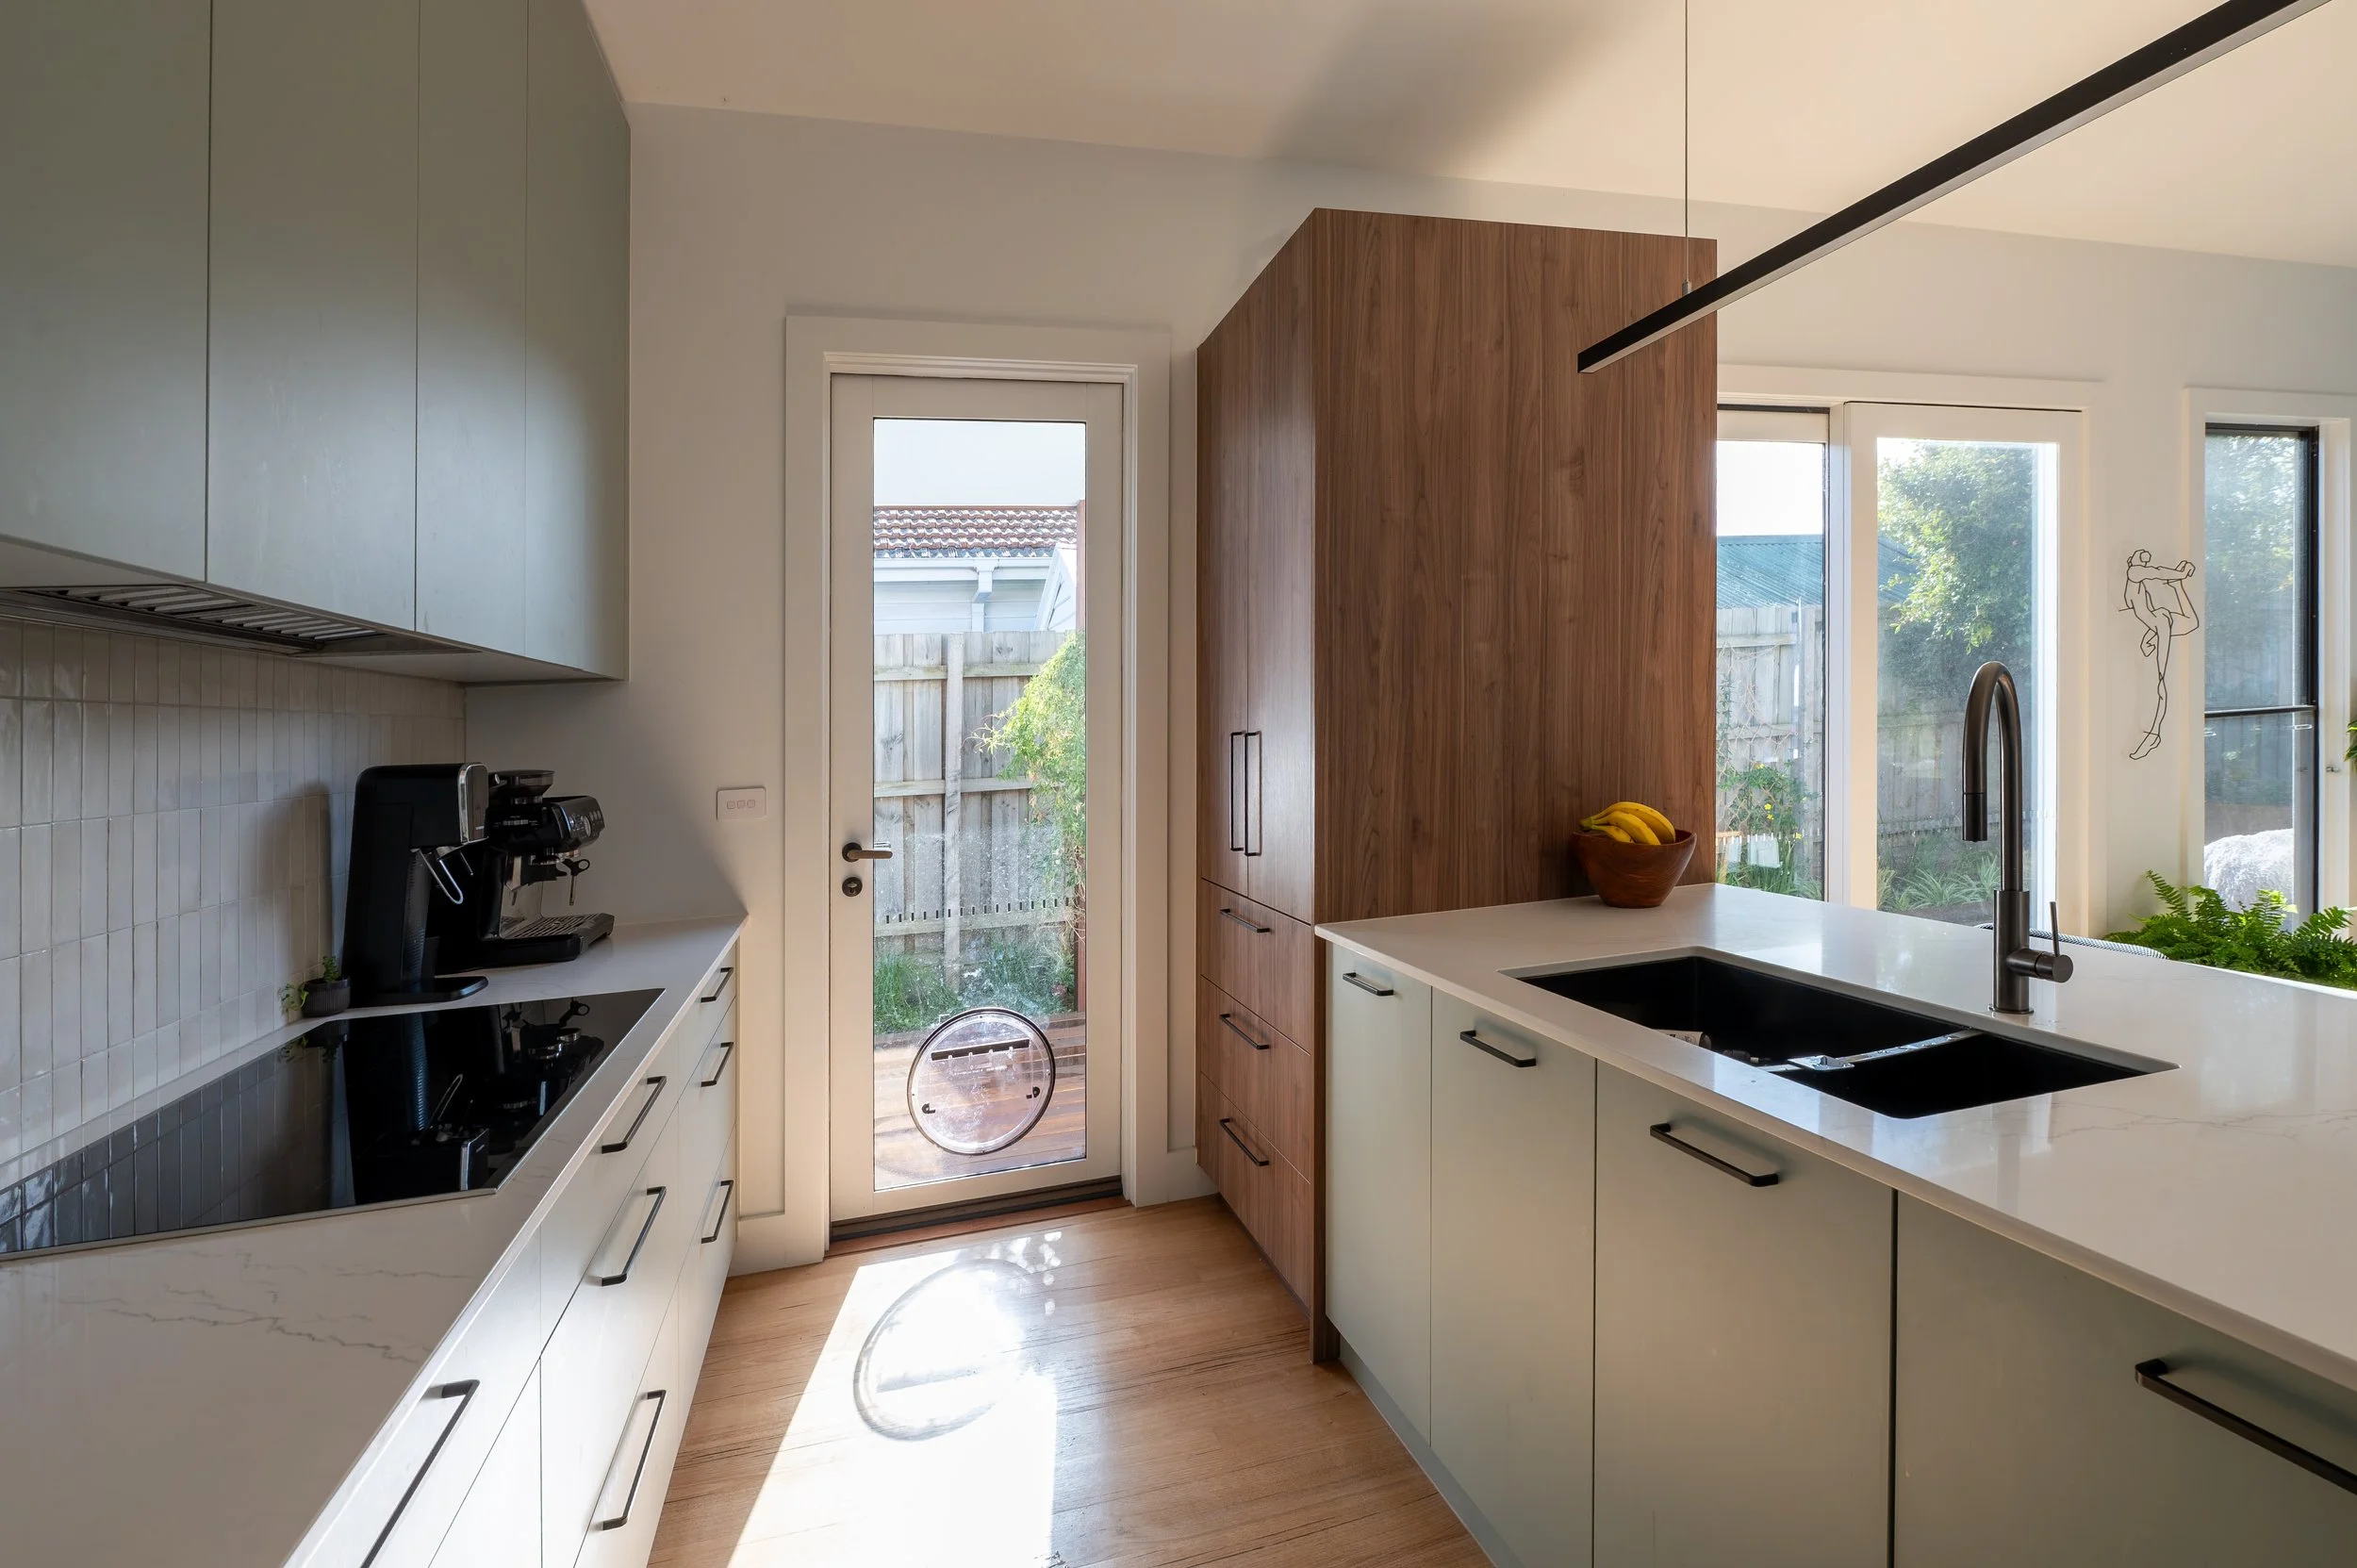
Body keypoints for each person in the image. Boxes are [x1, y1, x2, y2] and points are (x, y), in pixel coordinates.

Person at [2122, 549, 2198, 760]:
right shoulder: (2135, 573)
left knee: (2161, 680)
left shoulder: (2139, 576)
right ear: (2132, 560)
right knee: (2191, 622)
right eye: (2140, 556)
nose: (2144, 559)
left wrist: (2179, 575)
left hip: (2159, 621)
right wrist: (2179, 575)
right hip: (2156, 623)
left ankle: (2154, 733)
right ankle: (2154, 733)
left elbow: (2156, 572)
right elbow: (2157, 572)